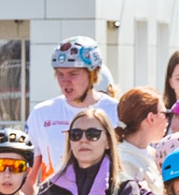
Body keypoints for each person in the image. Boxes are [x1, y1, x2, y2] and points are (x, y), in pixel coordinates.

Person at [26, 35, 119, 168]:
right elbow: (29, 174)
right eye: (60, 74)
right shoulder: (41, 113)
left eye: (73, 74)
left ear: (93, 74)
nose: (65, 81)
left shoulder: (116, 111)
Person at [112, 86, 169, 195]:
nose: (167, 120)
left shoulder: (153, 154)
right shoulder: (122, 161)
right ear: (151, 118)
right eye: (164, 114)